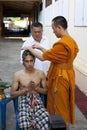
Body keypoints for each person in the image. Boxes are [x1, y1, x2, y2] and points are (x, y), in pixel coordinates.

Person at [21, 16, 79, 128]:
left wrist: (30, 49)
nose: (53, 31)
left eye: (54, 29)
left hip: (60, 77)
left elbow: (43, 57)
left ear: (59, 27)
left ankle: (61, 126)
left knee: (59, 106)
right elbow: (53, 54)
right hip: (67, 74)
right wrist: (39, 46)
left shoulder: (62, 44)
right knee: (64, 103)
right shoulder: (71, 41)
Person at [10, 50, 49, 130]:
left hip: (37, 102)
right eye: (27, 61)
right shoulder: (18, 75)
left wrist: (36, 88)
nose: (29, 64)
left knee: (47, 121)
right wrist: (26, 89)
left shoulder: (40, 73)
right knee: (24, 124)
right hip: (24, 102)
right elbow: (12, 94)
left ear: (34, 60)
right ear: (23, 62)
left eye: (31, 61)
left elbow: (46, 91)